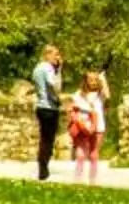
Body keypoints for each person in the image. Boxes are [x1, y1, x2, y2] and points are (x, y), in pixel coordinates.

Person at [67, 68, 108, 185]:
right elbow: (72, 108)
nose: (94, 82)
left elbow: (108, 95)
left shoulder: (100, 94)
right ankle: (77, 180)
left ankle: (92, 181)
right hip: (82, 127)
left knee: (94, 154)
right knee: (80, 154)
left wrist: (103, 80)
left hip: (98, 127)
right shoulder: (78, 94)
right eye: (91, 80)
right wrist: (74, 115)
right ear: (85, 81)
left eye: (96, 80)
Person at [31, 43, 64, 181]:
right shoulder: (49, 68)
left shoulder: (37, 68)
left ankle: (42, 167)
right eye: (55, 54)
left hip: (40, 106)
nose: (58, 57)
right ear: (48, 55)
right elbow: (53, 85)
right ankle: (43, 169)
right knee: (48, 140)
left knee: (44, 138)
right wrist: (57, 98)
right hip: (49, 107)